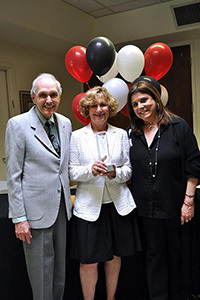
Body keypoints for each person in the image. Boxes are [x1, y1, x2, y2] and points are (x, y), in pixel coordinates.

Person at [127, 75, 200, 300]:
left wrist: (188, 201)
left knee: (176, 257)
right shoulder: (133, 134)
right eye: (135, 104)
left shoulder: (178, 126)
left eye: (145, 100)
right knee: (153, 257)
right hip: (145, 209)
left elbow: (194, 164)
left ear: (156, 99)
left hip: (176, 207)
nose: (141, 107)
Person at [69, 86, 141, 300]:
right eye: (94, 106)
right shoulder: (76, 136)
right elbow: (71, 170)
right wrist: (90, 170)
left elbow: (128, 169)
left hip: (118, 205)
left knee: (114, 257)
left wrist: (115, 173)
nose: (99, 110)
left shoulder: (120, 134)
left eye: (103, 105)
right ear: (87, 110)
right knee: (88, 261)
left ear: (109, 108)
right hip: (89, 208)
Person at [5, 73, 72, 300]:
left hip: (62, 210)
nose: (49, 100)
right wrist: (19, 218)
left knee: (60, 274)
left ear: (59, 97)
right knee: (41, 276)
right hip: (34, 215)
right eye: (42, 95)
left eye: (53, 94)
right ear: (33, 97)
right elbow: (14, 176)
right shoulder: (18, 125)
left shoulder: (65, 123)